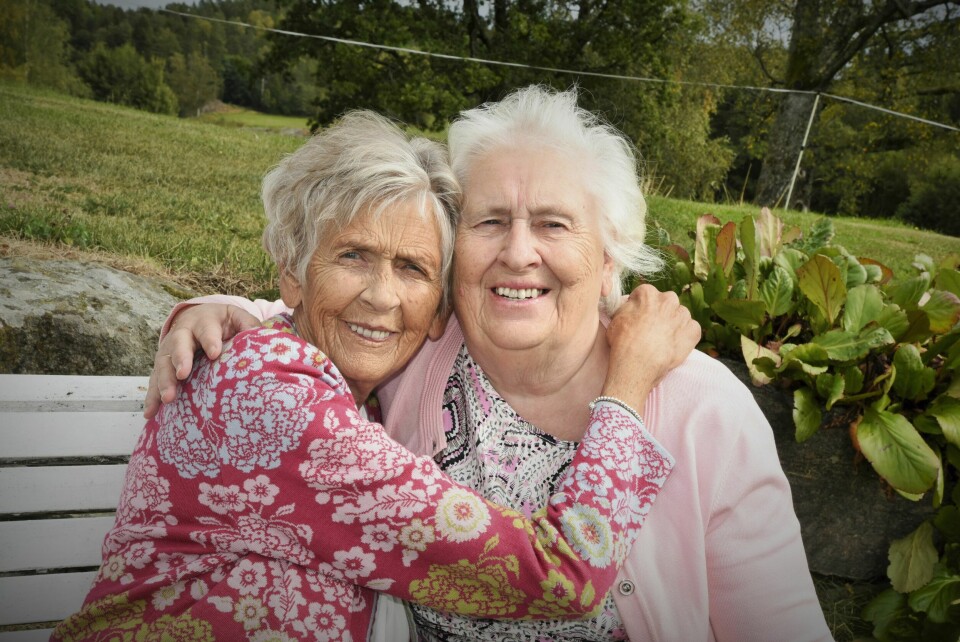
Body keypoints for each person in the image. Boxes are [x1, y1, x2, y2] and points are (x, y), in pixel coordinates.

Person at [147, 86, 834, 641]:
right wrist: (211, 312)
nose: (518, 252)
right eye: (490, 221)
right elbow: (320, 313)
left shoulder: (701, 409)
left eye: (554, 223)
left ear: (609, 259)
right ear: (457, 264)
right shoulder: (421, 360)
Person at [54, 109, 700, 642]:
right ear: (292, 270)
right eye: (353, 256)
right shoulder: (276, 399)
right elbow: (560, 576)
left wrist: (213, 309)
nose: (382, 298)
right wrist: (628, 384)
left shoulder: (314, 381)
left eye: (413, 269)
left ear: (441, 307)